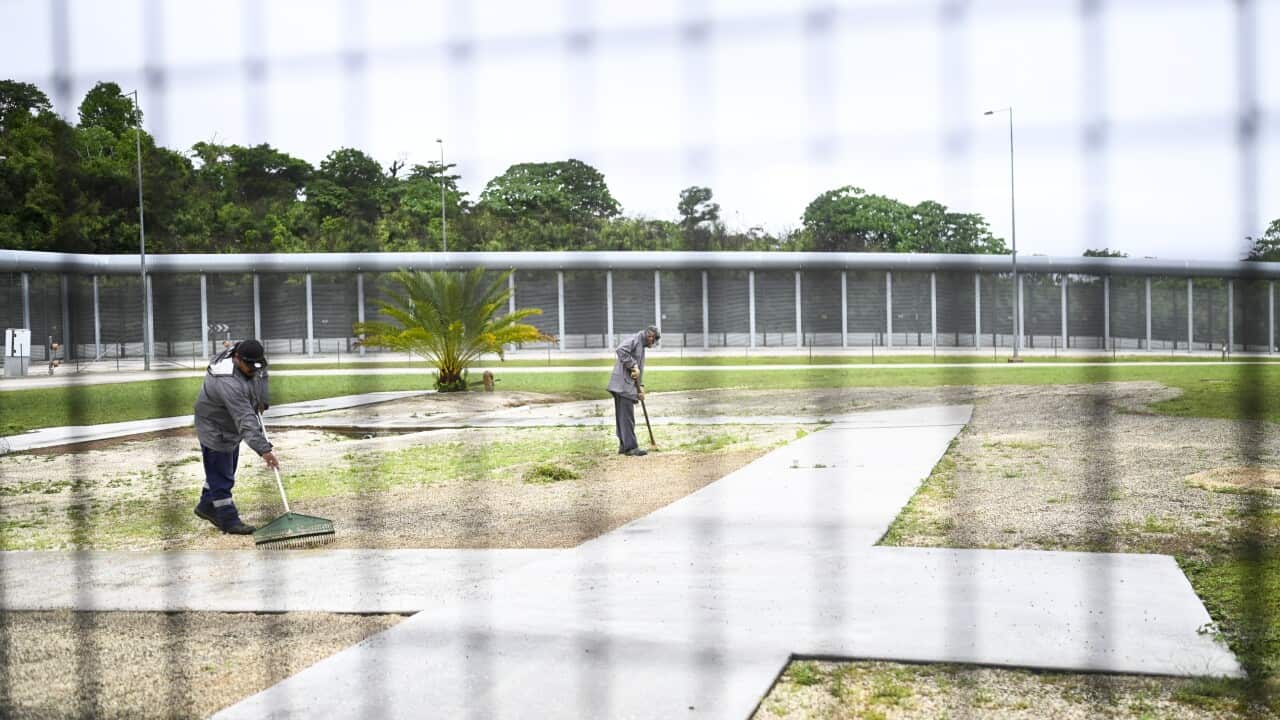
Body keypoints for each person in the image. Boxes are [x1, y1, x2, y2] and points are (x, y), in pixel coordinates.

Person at [192, 339, 278, 534]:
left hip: (230, 424)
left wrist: (262, 399)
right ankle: (228, 519)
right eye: (249, 366)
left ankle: (206, 505)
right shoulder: (227, 381)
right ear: (237, 359)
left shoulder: (250, 360)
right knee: (222, 476)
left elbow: (262, 375)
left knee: (225, 469)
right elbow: (245, 418)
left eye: (257, 365)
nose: (253, 370)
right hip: (214, 425)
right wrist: (264, 450)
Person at [607, 325, 660, 456]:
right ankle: (631, 447)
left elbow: (637, 372)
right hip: (623, 386)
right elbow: (620, 350)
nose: (653, 344)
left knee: (622, 417)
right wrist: (633, 364)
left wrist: (640, 387)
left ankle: (623, 446)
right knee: (627, 417)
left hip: (623, 385)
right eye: (653, 341)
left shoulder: (641, 344)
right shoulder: (635, 340)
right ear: (650, 337)